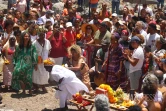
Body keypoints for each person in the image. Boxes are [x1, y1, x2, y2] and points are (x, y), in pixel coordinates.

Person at [32, 27, 51, 93]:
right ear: (38, 35)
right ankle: (36, 87)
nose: (42, 36)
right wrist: (35, 61)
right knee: (36, 73)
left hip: (45, 61)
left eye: (43, 35)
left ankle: (43, 86)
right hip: (38, 61)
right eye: (40, 35)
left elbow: (49, 49)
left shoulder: (47, 42)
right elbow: (32, 52)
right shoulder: (34, 43)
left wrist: (48, 57)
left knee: (45, 73)